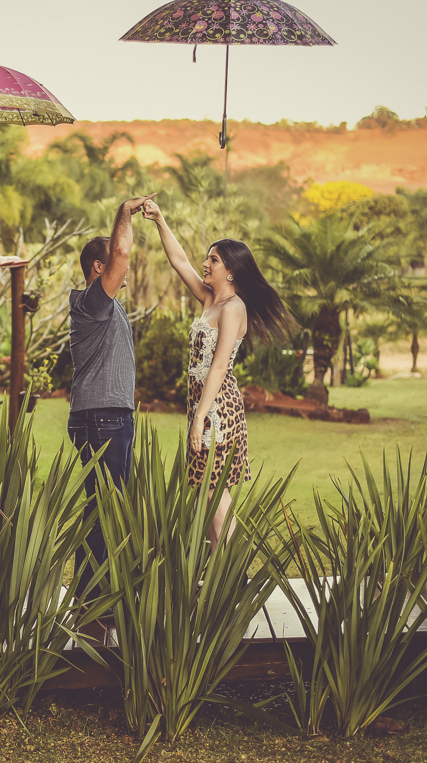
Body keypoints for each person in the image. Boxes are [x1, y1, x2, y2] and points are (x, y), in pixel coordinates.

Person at [144, 198, 291, 546]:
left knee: (212, 493)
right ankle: (220, 575)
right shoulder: (211, 299)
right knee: (203, 494)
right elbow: (179, 261)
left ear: (231, 271)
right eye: (207, 258)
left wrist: (200, 418)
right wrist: (160, 221)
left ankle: (234, 575)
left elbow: (220, 365)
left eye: (213, 259)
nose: (205, 263)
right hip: (202, 407)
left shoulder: (233, 308)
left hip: (217, 410)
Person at [67, 193, 156, 601]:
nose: (125, 271)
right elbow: (122, 250)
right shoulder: (92, 303)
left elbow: (120, 254)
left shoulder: (106, 306)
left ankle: (94, 594)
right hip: (103, 418)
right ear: (98, 268)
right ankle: (92, 599)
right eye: (115, 267)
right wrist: (125, 210)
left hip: (107, 417)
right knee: (105, 510)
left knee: (103, 509)